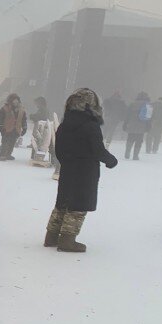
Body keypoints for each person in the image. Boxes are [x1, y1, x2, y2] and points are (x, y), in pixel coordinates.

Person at [43, 88, 118, 252]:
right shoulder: (91, 125)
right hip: (85, 172)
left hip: (68, 170)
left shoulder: (65, 124)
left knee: (62, 203)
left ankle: (51, 237)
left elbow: (59, 149)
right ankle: (67, 241)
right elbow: (98, 150)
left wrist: (67, 162)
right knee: (78, 206)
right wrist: (111, 161)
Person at [122, 91, 152, 159]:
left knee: (130, 139)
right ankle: (135, 155)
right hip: (142, 126)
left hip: (132, 125)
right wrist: (148, 126)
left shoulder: (132, 104)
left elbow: (127, 115)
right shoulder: (148, 105)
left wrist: (125, 124)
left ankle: (127, 153)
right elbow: (149, 117)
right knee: (139, 141)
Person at [0, 93, 27, 160]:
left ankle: (8, 154)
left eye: (17, 100)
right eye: (14, 100)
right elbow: (0, 118)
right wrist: (0, 127)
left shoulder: (22, 110)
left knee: (12, 142)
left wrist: (24, 127)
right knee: (5, 142)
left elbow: (24, 119)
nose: (15, 102)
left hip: (16, 129)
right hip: (6, 128)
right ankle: (2, 155)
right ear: (10, 100)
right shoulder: (5, 108)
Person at [29, 96, 58, 163]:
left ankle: (37, 157)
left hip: (42, 129)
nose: (35, 104)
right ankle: (36, 157)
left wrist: (33, 116)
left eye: (36, 103)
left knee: (41, 143)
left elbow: (42, 118)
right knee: (40, 143)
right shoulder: (42, 109)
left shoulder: (43, 109)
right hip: (42, 128)